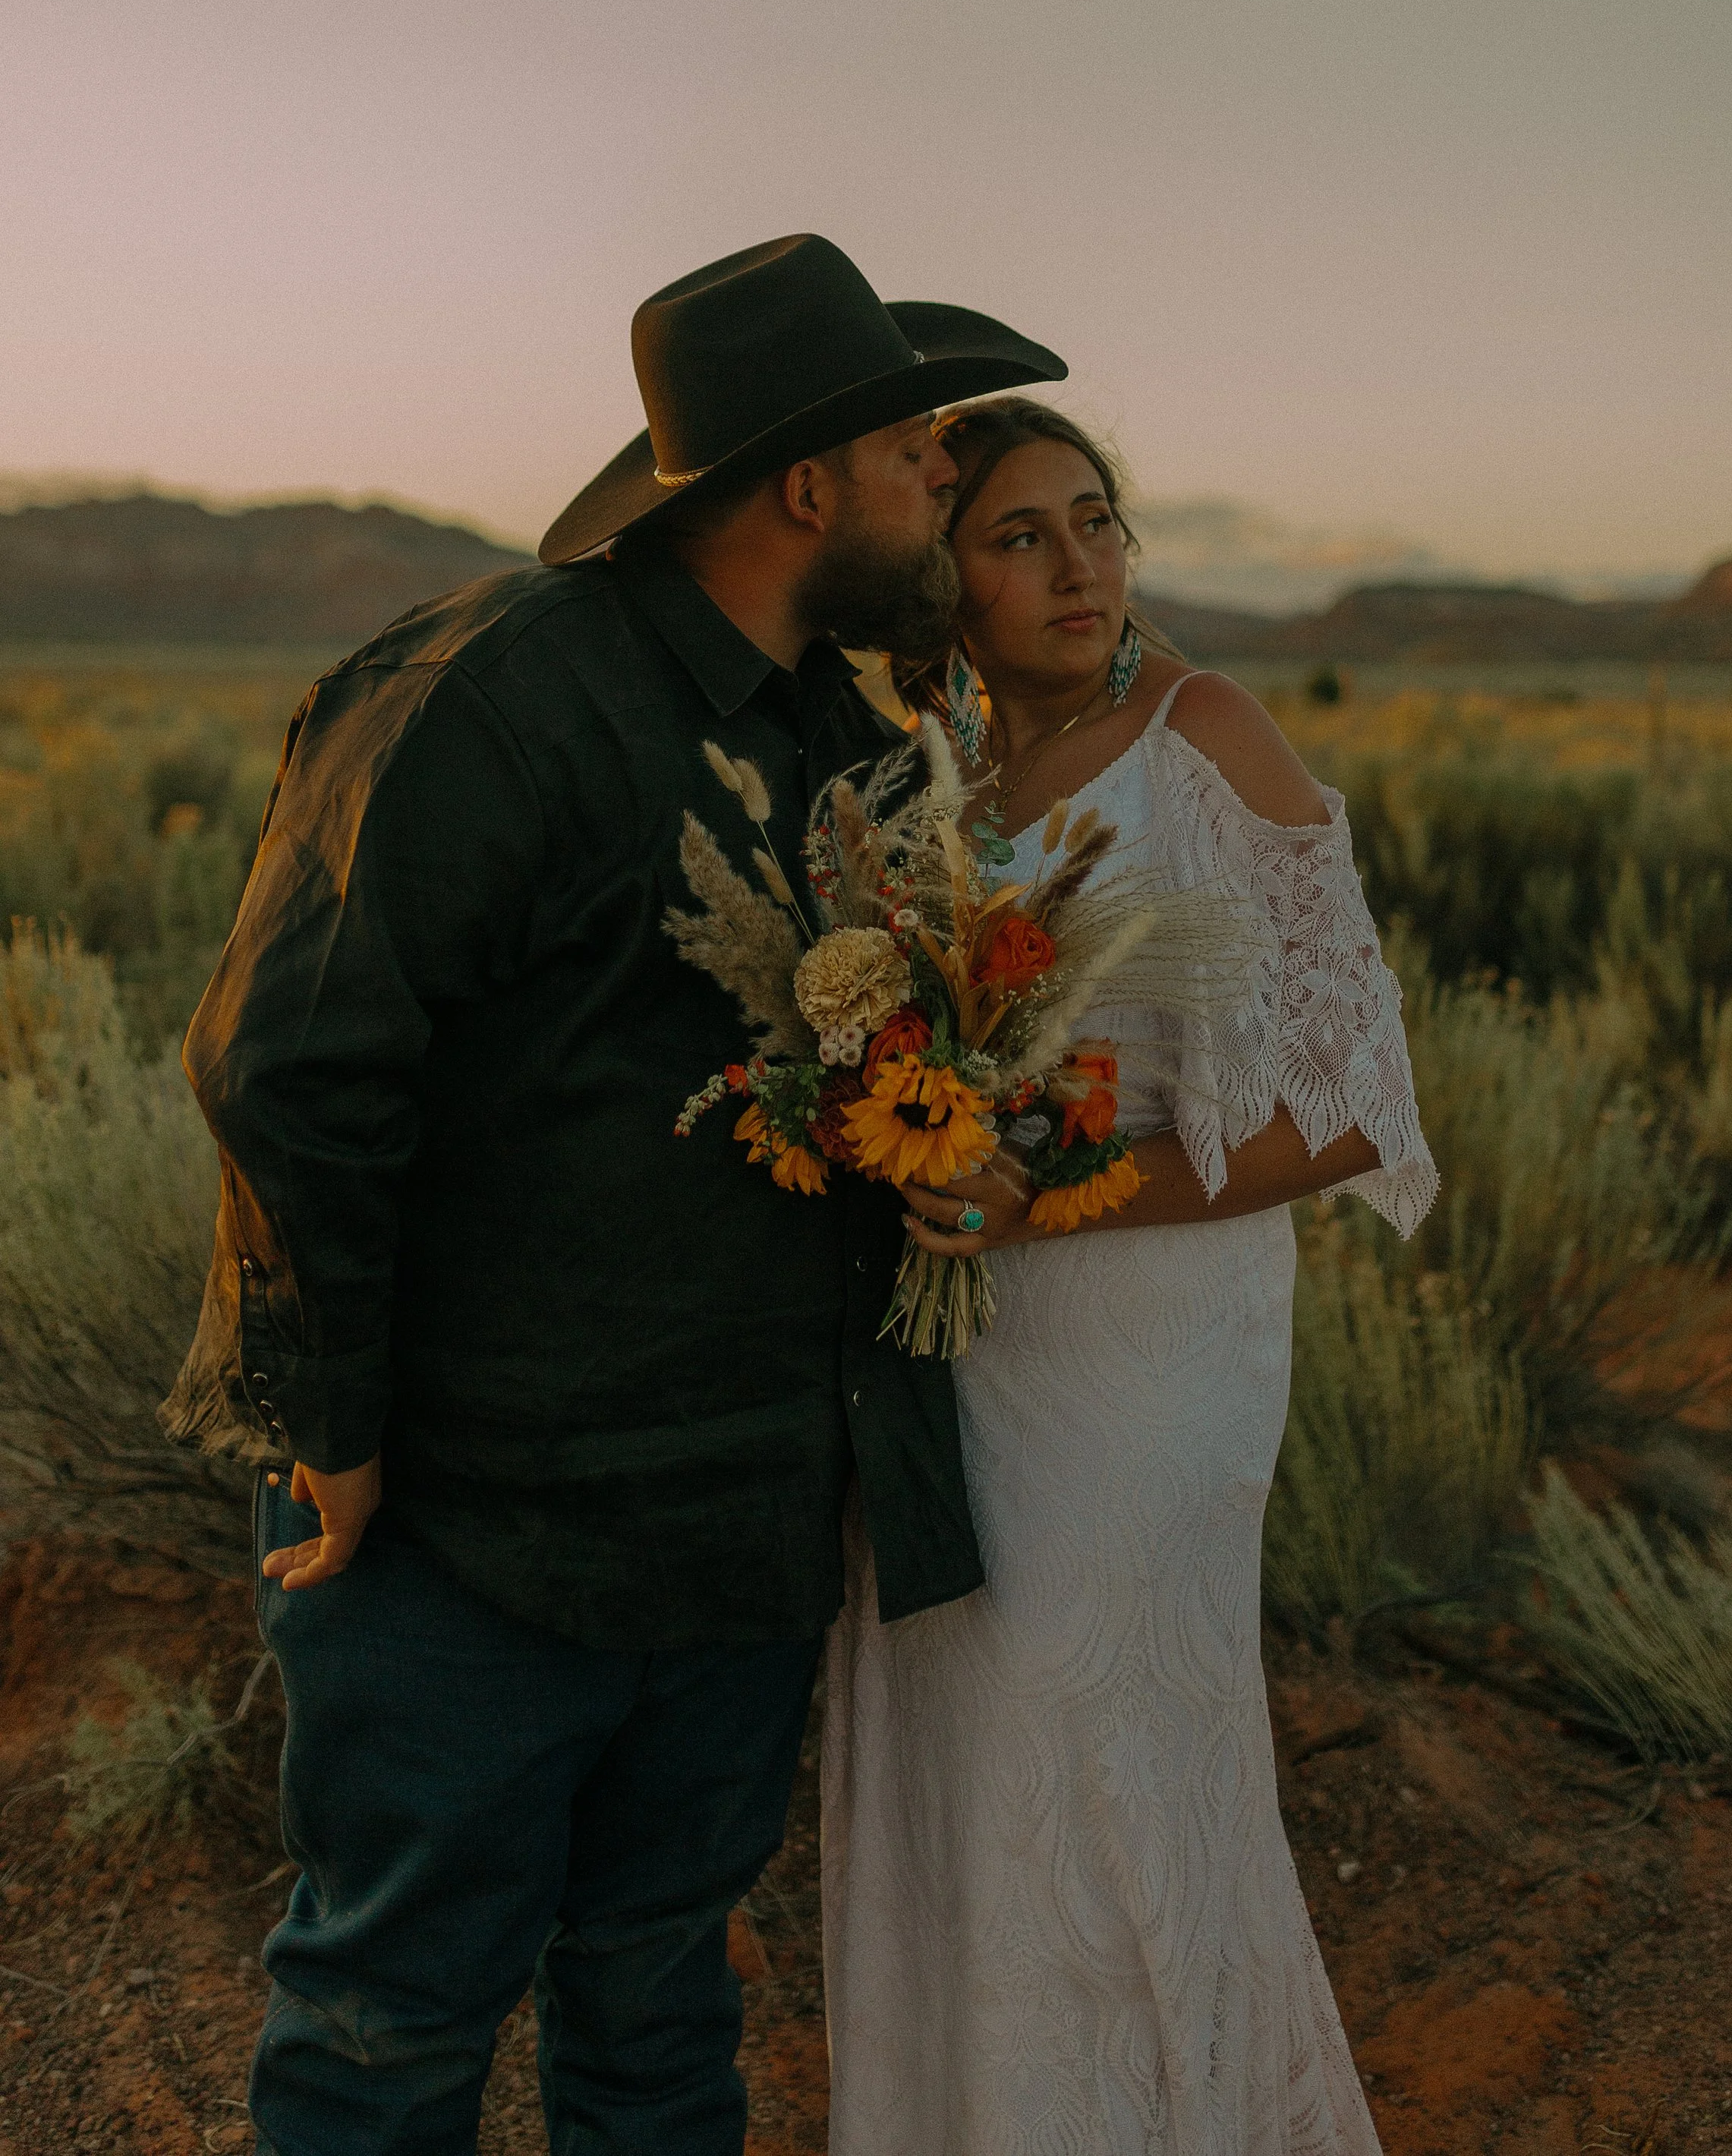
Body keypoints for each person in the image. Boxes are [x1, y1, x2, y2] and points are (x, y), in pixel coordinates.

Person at [158, 236, 1066, 2156]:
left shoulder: (843, 744)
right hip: (473, 1533)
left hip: (734, 1530)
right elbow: (288, 1061)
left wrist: (960, 1150)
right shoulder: (489, 696)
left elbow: (883, 1065)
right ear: (805, 486)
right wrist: (329, 1426)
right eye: (917, 459)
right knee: (391, 2021)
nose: (941, 493)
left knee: (660, 2000)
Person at [821, 398, 1438, 2156]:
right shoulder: (914, 794)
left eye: (1095, 521)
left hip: (1144, 1361)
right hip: (961, 1353)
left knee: (1110, 1769)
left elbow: (1346, 1106)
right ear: (941, 582)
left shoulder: (1203, 736)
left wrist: (1051, 1203)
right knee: (964, 1773)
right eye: (1020, 536)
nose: (1079, 563)